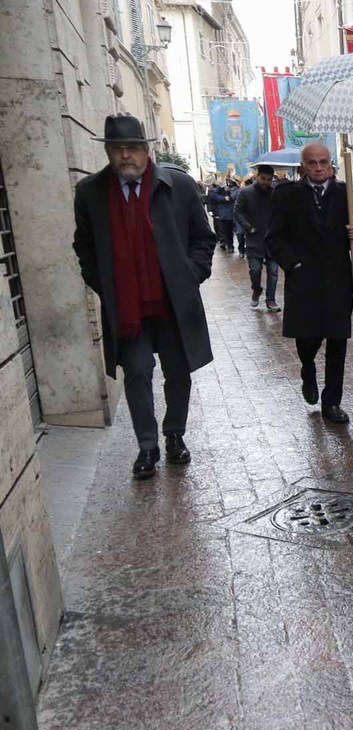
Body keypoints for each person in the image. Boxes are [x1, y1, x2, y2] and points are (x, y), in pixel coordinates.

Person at [72, 114, 217, 479]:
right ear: (107, 152)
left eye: (133, 148)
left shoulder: (178, 186)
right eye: (117, 149)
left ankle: (174, 435)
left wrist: (191, 275)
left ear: (146, 149)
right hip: (127, 306)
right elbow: (84, 246)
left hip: (172, 303)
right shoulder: (90, 193)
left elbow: (204, 238)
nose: (126, 156)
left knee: (178, 373)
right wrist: (103, 285)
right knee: (136, 372)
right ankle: (147, 445)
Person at [266, 142, 353, 425]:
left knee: (337, 343)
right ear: (303, 167)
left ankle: (332, 401)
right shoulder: (286, 196)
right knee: (307, 340)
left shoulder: (345, 194)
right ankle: (307, 370)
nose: (320, 168)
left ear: (331, 164)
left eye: (324, 162)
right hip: (304, 282)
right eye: (313, 163)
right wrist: (294, 265)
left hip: (337, 281)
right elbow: (274, 238)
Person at [234, 164, 281, 312]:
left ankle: (271, 300)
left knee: (273, 272)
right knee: (255, 270)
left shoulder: (275, 194)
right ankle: (256, 289)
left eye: (268, 179)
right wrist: (248, 227)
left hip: (272, 240)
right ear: (257, 176)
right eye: (263, 179)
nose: (265, 182)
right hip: (254, 239)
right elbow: (237, 211)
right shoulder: (246, 193)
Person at [207, 179, 235, 251]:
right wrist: (223, 197)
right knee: (222, 228)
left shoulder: (231, 184)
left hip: (230, 211)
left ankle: (230, 245)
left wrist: (228, 191)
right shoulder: (218, 187)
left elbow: (235, 194)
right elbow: (214, 196)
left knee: (229, 230)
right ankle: (223, 242)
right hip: (222, 212)